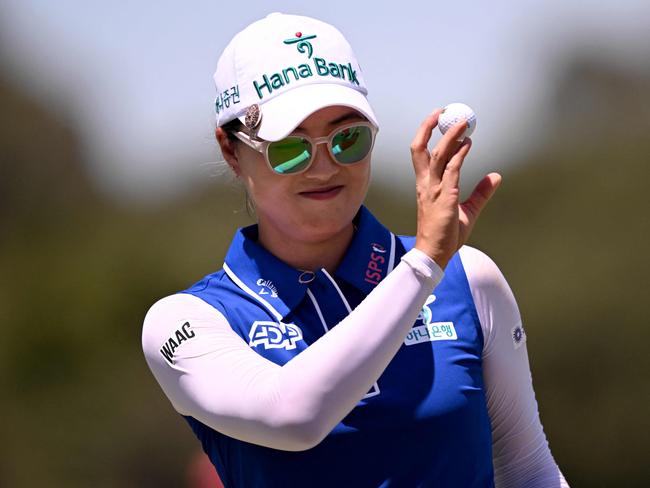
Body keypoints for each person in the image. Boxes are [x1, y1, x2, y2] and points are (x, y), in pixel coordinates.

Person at [142, 12, 569, 488]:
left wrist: (428, 263)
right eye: (291, 147)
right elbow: (294, 417)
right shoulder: (185, 322)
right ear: (231, 150)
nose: (324, 167)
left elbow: (531, 472)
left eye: (348, 139)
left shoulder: (468, 279)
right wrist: (423, 264)